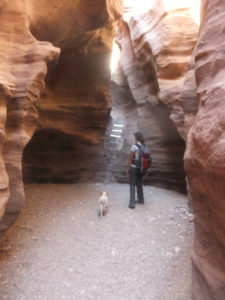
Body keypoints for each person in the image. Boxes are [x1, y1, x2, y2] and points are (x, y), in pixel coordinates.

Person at [126, 131, 145, 209]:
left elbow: (130, 159)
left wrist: (127, 169)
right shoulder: (143, 146)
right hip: (140, 168)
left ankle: (132, 203)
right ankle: (141, 200)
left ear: (136, 137)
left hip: (134, 168)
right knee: (139, 184)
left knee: (132, 185)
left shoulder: (134, 146)